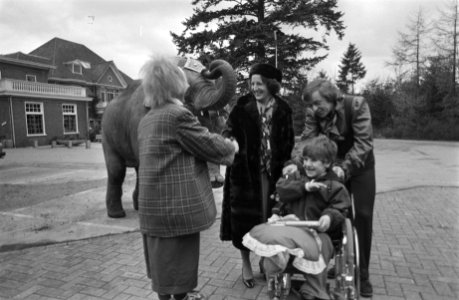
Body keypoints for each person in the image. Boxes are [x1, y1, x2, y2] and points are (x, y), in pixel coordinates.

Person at [137, 56, 239, 300]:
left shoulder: (147, 119)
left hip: (153, 210)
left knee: (162, 266)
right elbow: (205, 142)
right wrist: (230, 147)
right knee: (181, 262)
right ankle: (182, 297)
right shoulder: (177, 115)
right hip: (177, 209)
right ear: (177, 83)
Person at [242, 135, 350, 300]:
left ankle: (313, 289)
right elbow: (281, 190)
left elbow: (339, 208)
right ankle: (277, 279)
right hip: (292, 228)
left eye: (314, 160)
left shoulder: (333, 186)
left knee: (321, 249)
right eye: (305, 159)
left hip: (319, 232)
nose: (307, 164)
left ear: (327, 163)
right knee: (276, 242)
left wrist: (328, 217)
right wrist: (304, 187)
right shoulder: (297, 177)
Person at [298, 79, 376, 298]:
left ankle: (363, 272)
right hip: (333, 166)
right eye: (311, 106)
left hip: (360, 167)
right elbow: (306, 141)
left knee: (362, 215)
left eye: (317, 103)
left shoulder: (357, 105)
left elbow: (364, 142)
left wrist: (345, 167)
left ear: (330, 97)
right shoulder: (314, 114)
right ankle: (343, 260)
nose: (314, 109)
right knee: (337, 214)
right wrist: (295, 164)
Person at [220, 63, 295, 288]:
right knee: (244, 222)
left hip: (272, 177)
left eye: (259, 83)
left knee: (268, 220)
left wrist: (288, 167)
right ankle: (245, 264)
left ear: (271, 85)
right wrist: (230, 140)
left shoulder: (284, 109)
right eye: (252, 84)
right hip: (244, 176)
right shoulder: (242, 106)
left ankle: (266, 259)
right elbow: (228, 129)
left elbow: (289, 142)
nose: (254, 88)